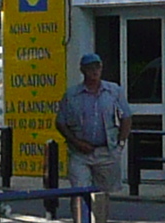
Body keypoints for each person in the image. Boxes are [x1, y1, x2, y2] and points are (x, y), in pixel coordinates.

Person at [55, 52, 130, 202]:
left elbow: (126, 117)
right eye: (90, 68)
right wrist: (76, 142)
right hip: (79, 153)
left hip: (106, 151)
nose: (94, 71)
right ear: (82, 70)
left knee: (101, 196)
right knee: (79, 193)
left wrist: (120, 145)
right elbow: (60, 122)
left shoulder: (114, 91)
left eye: (97, 67)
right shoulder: (72, 95)